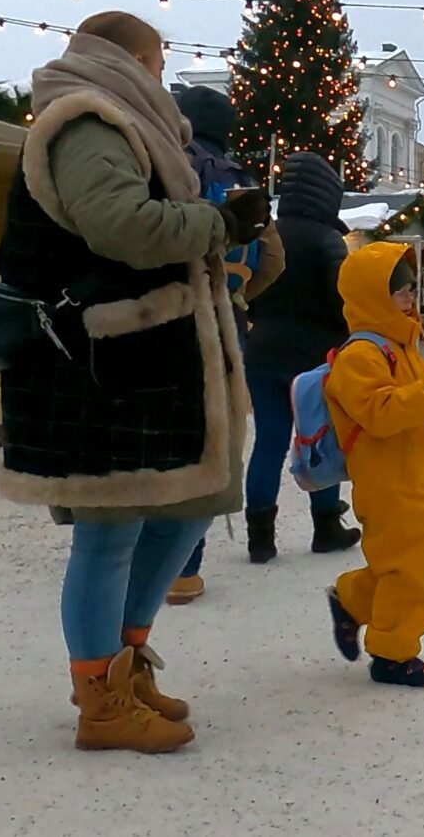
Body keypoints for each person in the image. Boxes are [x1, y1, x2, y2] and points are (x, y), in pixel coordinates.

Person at [0, 11, 267, 753]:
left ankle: (124, 668)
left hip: (151, 359)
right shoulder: (87, 119)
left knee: (183, 511)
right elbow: (120, 223)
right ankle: (100, 700)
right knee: (109, 531)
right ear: (138, 58)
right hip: (99, 363)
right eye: (159, 61)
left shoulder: (131, 123)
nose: (163, 76)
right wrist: (216, 223)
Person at [323, 243, 424, 686]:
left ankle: (353, 599)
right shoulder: (360, 356)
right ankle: (393, 654)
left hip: (422, 476)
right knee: (411, 571)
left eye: (410, 290)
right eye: (400, 292)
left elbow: (418, 409)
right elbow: (380, 413)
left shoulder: (401, 347)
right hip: (388, 482)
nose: (410, 299)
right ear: (374, 295)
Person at [166, 86, 285, 605]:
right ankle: (187, 565)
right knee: (216, 440)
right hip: (227, 322)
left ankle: (155, 562)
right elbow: (274, 259)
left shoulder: (173, 166)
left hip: (173, 315)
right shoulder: (245, 181)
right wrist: (237, 296)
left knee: (167, 436)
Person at [239, 151, 362, 562]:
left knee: (269, 444)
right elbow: (341, 298)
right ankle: (325, 525)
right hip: (313, 357)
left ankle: (260, 537)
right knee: (319, 438)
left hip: (263, 351)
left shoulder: (266, 233)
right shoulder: (327, 239)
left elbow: (250, 290)